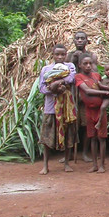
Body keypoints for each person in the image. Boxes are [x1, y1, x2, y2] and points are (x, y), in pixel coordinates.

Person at [38, 45, 77, 175]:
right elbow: (42, 88)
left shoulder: (70, 66)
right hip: (51, 107)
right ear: (53, 55)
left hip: (66, 107)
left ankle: (66, 163)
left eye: (62, 54)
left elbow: (71, 79)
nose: (60, 57)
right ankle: (45, 165)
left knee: (67, 135)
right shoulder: (46, 69)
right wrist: (53, 89)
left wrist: (56, 82)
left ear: (66, 55)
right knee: (47, 136)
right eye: (57, 54)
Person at [75, 55, 109, 173]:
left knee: (101, 138)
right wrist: (105, 92)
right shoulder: (78, 77)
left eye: (90, 63)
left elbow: (104, 87)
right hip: (89, 110)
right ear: (80, 65)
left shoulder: (97, 76)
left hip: (99, 110)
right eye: (85, 63)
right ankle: (94, 164)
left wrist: (108, 92)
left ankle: (102, 165)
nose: (88, 66)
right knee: (92, 137)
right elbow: (86, 90)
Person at [66, 31, 97, 163]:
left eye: (82, 38)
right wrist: (73, 60)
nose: (79, 41)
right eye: (77, 38)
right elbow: (64, 72)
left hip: (85, 96)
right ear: (73, 41)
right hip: (72, 95)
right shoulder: (68, 55)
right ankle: (68, 153)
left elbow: (95, 73)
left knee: (85, 124)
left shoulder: (92, 56)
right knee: (71, 124)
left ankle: (84, 152)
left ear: (86, 41)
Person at [96, 62, 109, 131]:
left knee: (103, 107)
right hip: (102, 95)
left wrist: (101, 85)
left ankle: (99, 122)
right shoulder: (103, 79)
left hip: (108, 97)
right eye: (107, 70)